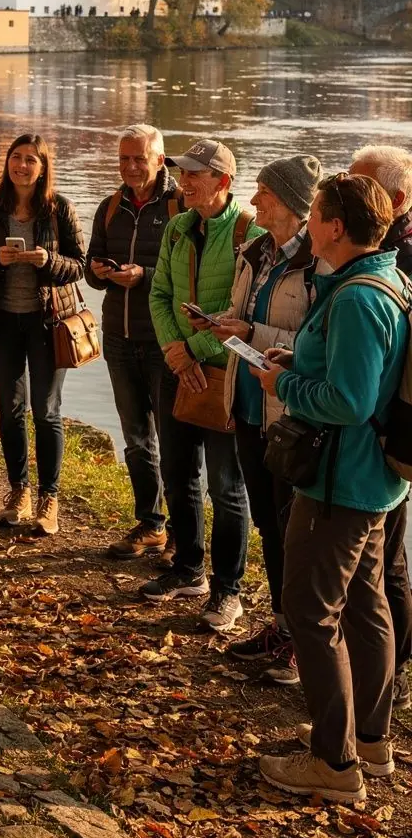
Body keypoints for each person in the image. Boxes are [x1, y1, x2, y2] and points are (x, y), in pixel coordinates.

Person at [254, 173, 409, 805]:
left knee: (310, 613)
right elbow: (353, 374)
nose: (309, 226)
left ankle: (334, 763)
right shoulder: (389, 280)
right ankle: (371, 741)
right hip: (376, 482)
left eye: (315, 216)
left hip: (339, 481)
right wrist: (300, 363)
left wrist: (282, 387)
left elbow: (347, 401)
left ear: (335, 226)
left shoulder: (354, 299)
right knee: (368, 606)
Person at [211, 155, 322, 682]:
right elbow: (247, 321)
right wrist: (226, 327)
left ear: (294, 205)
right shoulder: (256, 249)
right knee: (267, 525)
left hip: (291, 414)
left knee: (292, 530)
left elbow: (315, 347)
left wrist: (252, 334)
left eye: (265, 194)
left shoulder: (320, 263)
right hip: (249, 404)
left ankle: (302, 642)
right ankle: (281, 626)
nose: (254, 203)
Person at [146, 139, 261, 631]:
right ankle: (188, 568)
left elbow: (247, 317)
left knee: (227, 487)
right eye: (181, 172)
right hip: (178, 370)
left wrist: (196, 352)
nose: (183, 180)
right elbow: (159, 294)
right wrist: (176, 352)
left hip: (226, 376)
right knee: (177, 471)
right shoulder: (176, 227)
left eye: (194, 173)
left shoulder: (250, 234)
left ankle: (227, 591)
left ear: (223, 182)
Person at [0, 133, 85, 536]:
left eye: (30, 160)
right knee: (10, 408)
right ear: (7, 163)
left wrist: (48, 261)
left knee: (46, 411)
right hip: (2, 323)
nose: (22, 165)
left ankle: (49, 497)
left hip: (47, 323)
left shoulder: (58, 209)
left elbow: (79, 265)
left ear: (42, 166)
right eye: (16, 158)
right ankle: (19, 491)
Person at [85, 124, 180, 561]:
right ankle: (150, 523)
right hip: (119, 337)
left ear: (159, 160)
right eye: (124, 158)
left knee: (175, 440)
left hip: (165, 340)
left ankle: (183, 530)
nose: (130, 166)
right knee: (136, 437)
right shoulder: (110, 206)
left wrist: (143, 276)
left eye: (139, 158)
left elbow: (190, 279)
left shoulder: (180, 206)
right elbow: (89, 268)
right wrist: (99, 272)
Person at [349, 144, 412, 711]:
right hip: (378, 436)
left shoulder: (398, 259)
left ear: (393, 201)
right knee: (378, 565)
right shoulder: (383, 252)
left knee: (386, 564)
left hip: (386, 439)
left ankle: (387, 684)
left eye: (359, 184)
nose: (349, 190)